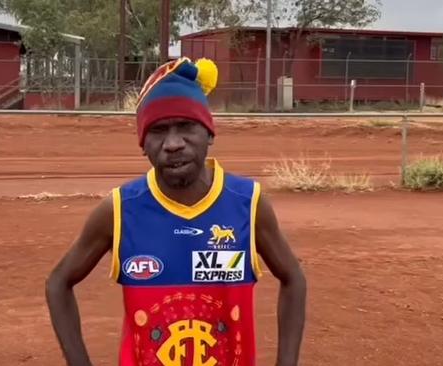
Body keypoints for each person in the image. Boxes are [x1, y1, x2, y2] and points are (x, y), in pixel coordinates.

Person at [46, 57, 306, 366]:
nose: (173, 144)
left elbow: (294, 278)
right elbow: (58, 283)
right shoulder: (119, 210)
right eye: (158, 130)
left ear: (209, 132)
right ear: (143, 143)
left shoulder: (248, 204)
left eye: (186, 127)